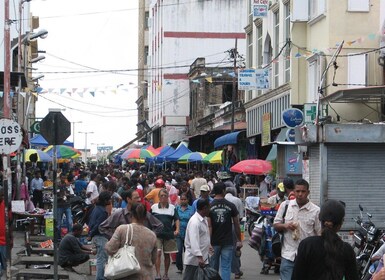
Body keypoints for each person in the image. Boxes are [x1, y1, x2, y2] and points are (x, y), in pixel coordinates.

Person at [292, 199, 358, 280]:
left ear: (320, 219)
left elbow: (297, 276)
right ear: (341, 223)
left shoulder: (307, 245)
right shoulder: (347, 250)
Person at [273, 179, 321, 280]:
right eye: (297, 191)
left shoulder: (316, 211)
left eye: (303, 191)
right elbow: (276, 225)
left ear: (308, 192)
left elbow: (320, 234)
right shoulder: (285, 206)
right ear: (293, 192)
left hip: (308, 258)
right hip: (288, 256)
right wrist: (286, 226)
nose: (300, 194)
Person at [105, 203, 158, 280]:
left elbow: (110, 249)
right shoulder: (152, 235)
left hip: (125, 275)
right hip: (146, 276)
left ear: (131, 215)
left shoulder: (122, 229)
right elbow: (153, 259)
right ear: (145, 217)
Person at [208, 182, 242, 280]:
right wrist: (239, 240)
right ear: (223, 191)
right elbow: (236, 224)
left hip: (214, 241)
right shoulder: (231, 205)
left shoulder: (210, 206)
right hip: (228, 241)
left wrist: (208, 242)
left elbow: (208, 226)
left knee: (213, 267)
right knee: (226, 266)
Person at [99, 189, 163, 240]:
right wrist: (116, 238)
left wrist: (149, 236)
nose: (139, 200)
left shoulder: (144, 213)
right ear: (128, 199)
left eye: (139, 197)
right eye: (136, 198)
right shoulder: (119, 214)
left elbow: (159, 226)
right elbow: (102, 228)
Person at [151, 189, 180, 280]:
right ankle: (158, 273)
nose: (163, 197)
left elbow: (176, 219)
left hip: (168, 234)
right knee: (158, 253)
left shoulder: (172, 208)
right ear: (159, 197)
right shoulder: (154, 207)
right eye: (161, 195)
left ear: (168, 197)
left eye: (165, 195)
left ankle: (166, 274)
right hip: (157, 234)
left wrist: (177, 229)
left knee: (167, 255)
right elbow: (149, 218)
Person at [183, 199, 211, 280]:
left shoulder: (204, 219)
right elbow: (193, 241)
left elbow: (204, 236)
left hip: (203, 258)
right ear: (204, 208)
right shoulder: (195, 222)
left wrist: (209, 245)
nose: (210, 209)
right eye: (209, 207)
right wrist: (199, 256)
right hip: (194, 260)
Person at [88, 191, 112, 280]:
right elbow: (98, 226)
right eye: (109, 199)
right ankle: (100, 278)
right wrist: (90, 234)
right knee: (101, 259)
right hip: (100, 237)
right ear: (105, 200)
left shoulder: (97, 208)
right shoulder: (103, 212)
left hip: (97, 236)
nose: (110, 200)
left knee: (102, 258)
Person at [224, 187, 244, 279]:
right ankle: (236, 271)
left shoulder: (223, 200)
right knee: (236, 248)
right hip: (234, 226)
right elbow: (240, 217)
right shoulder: (237, 200)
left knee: (224, 248)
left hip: (223, 227)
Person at [175, 193, 194, 274]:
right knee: (178, 251)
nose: (183, 201)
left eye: (184, 199)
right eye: (181, 199)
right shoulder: (176, 209)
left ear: (188, 200)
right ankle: (180, 268)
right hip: (179, 233)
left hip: (188, 234)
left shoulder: (192, 209)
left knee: (188, 252)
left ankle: (188, 268)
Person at [56, 173, 73, 239]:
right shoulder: (57, 185)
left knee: (69, 222)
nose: (64, 179)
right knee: (58, 224)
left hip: (67, 206)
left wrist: (67, 195)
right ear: (60, 178)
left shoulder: (68, 185)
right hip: (59, 206)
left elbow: (72, 194)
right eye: (62, 178)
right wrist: (61, 197)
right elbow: (55, 197)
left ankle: (69, 236)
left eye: (64, 178)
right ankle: (59, 238)